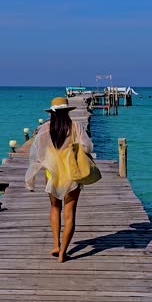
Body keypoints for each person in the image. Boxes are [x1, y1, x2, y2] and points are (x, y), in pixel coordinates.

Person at [25, 97, 93, 262]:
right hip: (73, 175)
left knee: (55, 208)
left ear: (52, 113)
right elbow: (88, 147)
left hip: (52, 174)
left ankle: (56, 244)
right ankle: (63, 253)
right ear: (67, 112)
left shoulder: (45, 129)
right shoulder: (76, 126)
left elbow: (36, 153)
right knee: (70, 214)